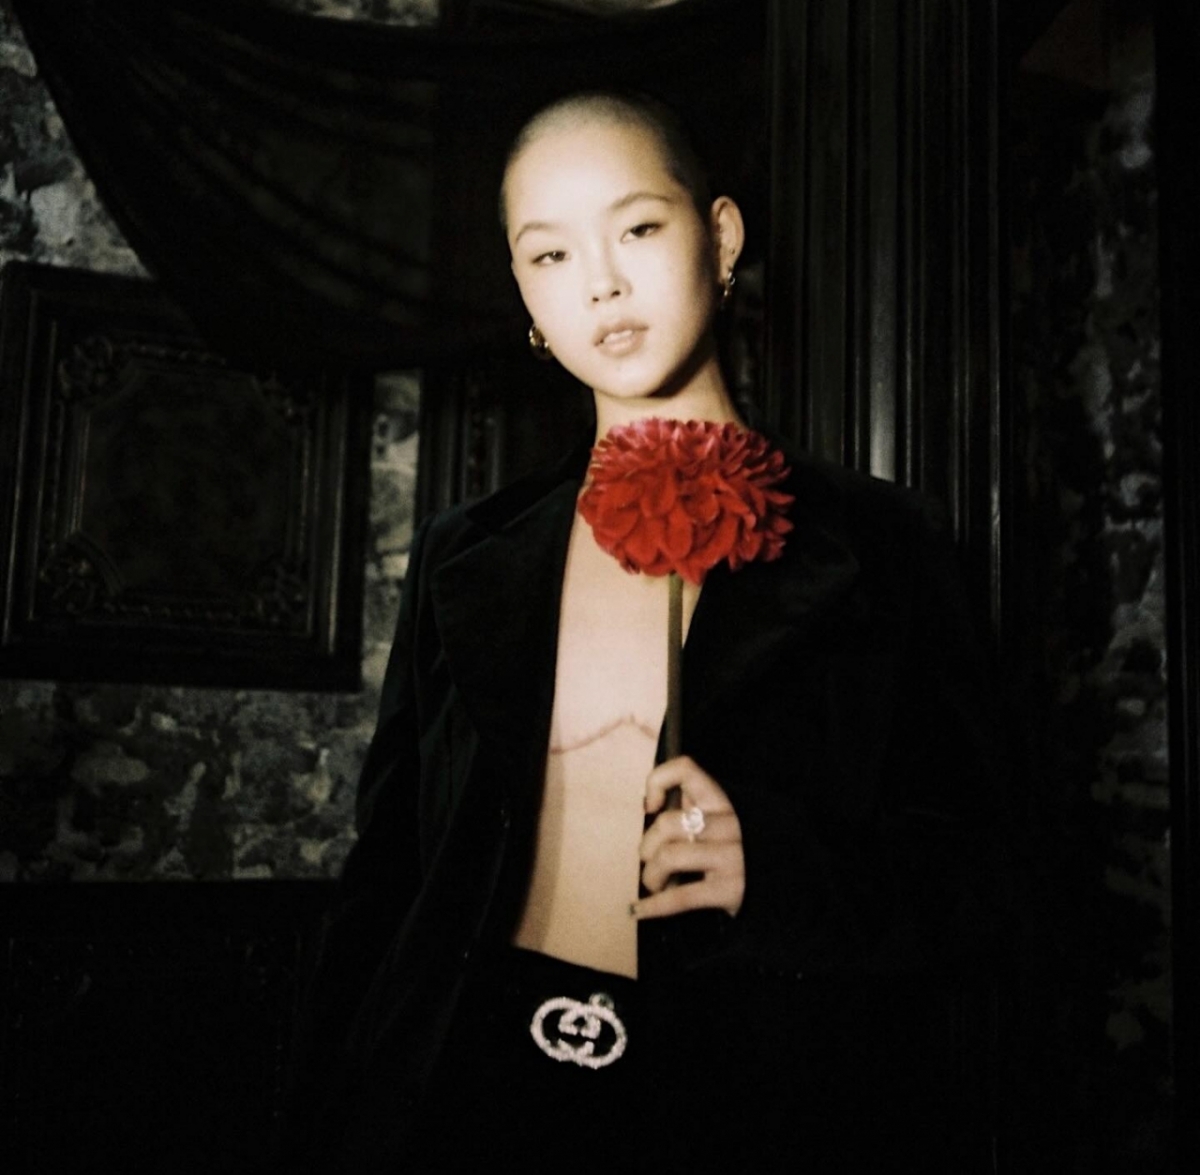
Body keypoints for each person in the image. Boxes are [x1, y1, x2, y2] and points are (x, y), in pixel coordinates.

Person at [283, 90, 1011, 1173]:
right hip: (464, 1096)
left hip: (745, 1110)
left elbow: (986, 870)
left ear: (721, 237)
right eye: (551, 254)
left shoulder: (884, 545)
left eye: (636, 227)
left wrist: (782, 864)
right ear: (526, 294)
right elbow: (386, 879)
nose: (602, 283)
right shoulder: (462, 553)